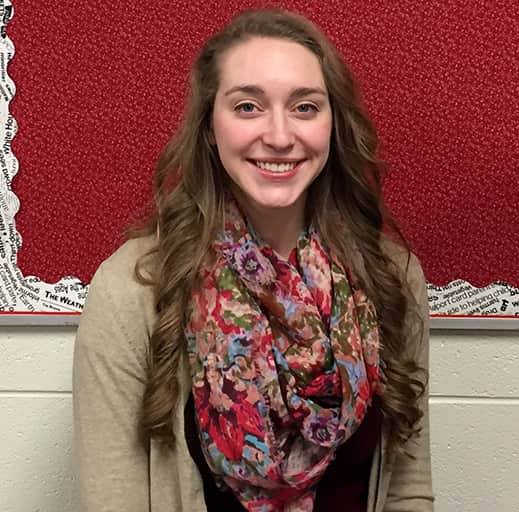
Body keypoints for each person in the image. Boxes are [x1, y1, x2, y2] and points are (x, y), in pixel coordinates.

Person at [72, 8, 433, 512]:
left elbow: (407, 488)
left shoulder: (390, 277)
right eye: (248, 107)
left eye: (305, 107)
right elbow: (115, 498)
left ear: (333, 124)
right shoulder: (133, 290)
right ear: (209, 128)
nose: (281, 136)